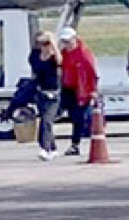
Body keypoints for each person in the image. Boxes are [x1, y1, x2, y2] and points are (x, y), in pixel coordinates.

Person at [58, 29, 99, 158]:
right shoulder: (64, 53)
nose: (66, 44)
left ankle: (75, 144)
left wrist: (93, 90)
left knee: (78, 117)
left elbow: (92, 73)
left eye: (68, 41)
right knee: (68, 114)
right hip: (67, 88)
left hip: (80, 90)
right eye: (64, 41)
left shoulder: (84, 54)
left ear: (75, 39)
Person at [28, 31, 63, 160]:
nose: (44, 46)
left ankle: (45, 148)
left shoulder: (54, 57)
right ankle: (53, 148)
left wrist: (53, 44)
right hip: (41, 93)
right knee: (44, 120)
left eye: (46, 43)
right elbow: (34, 68)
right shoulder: (35, 56)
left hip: (53, 94)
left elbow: (60, 61)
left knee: (47, 121)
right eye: (41, 44)